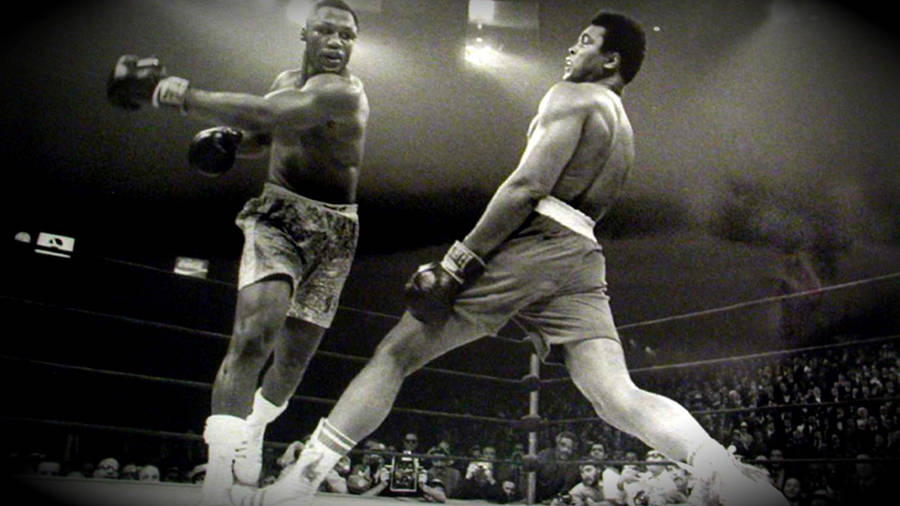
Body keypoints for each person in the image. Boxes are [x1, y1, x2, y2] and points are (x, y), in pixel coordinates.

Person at [236, 10, 786, 506]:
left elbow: (526, 186)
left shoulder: (569, 96)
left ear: (610, 60)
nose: (571, 50)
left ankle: (296, 484)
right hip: (581, 255)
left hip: (536, 241)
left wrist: (459, 261)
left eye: (584, 41)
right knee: (617, 397)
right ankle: (723, 472)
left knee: (397, 353)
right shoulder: (623, 125)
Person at [106, 1, 369, 504]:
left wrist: (175, 92)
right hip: (277, 217)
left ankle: (255, 431)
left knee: (291, 365)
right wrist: (232, 139)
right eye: (326, 32)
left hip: (336, 231)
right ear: (306, 35)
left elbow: (273, 113)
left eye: (347, 36)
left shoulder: (343, 90)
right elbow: (265, 132)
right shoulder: (287, 78)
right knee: (253, 338)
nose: (337, 43)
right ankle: (218, 480)